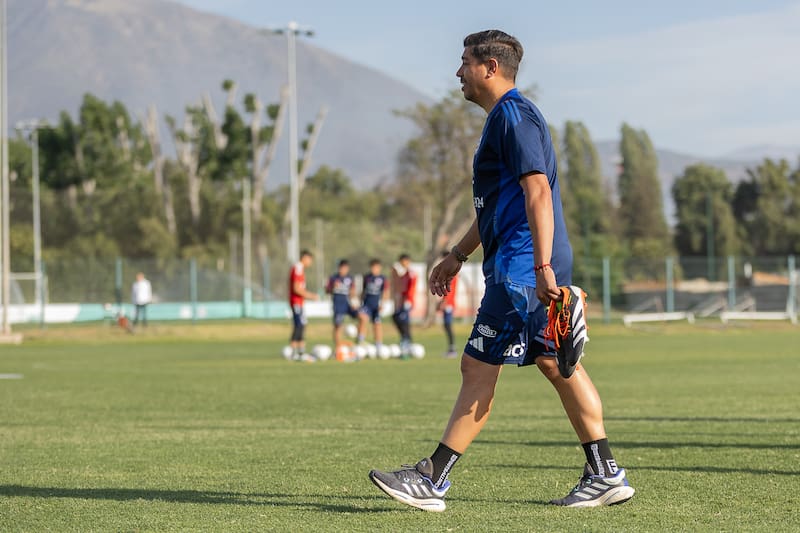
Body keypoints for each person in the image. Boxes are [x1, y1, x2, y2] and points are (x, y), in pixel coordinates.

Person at [369, 30, 634, 511]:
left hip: (522, 268)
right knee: (557, 365)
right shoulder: (507, 118)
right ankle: (604, 472)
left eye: (465, 62)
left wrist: (542, 266)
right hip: (521, 262)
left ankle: (432, 478)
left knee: (477, 366)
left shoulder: (513, 115)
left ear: (491, 67)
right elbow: (497, 205)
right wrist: (458, 254)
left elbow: (536, 190)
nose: (458, 72)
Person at [288, 250, 318, 361]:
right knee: (298, 325)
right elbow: (296, 288)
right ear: (305, 258)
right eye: (310, 260)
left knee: (301, 325)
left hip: (299, 302)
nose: (310, 262)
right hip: (296, 301)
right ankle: (293, 352)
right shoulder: (298, 268)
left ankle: (300, 352)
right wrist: (311, 295)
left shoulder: (299, 268)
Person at [325, 259, 359, 351]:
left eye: (345, 268)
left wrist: (354, 302)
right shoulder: (333, 278)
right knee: (338, 325)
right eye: (341, 268)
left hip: (348, 304)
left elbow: (352, 291)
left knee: (362, 316)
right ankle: (338, 346)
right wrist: (333, 287)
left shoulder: (350, 278)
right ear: (339, 268)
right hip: (338, 305)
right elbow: (327, 291)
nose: (343, 270)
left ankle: (359, 341)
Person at [358, 258, 388, 347]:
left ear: (380, 268)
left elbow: (385, 292)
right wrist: (360, 303)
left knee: (377, 324)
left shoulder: (382, 278)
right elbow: (363, 291)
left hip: (376, 305)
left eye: (376, 267)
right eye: (372, 267)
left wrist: (382, 304)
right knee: (363, 319)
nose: (374, 269)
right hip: (367, 304)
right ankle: (360, 340)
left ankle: (378, 343)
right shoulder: (367, 277)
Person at [390, 253, 417, 354]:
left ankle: (407, 341)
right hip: (403, 301)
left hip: (408, 301)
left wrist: (407, 300)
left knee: (404, 320)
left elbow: (411, 288)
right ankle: (405, 339)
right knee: (396, 317)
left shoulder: (411, 274)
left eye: (404, 262)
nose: (402, 264)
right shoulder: (404, 275)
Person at [436, 250, 459, 358]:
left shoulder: (452, 273)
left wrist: (444, 302)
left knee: (448, 325)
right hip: (446, 302)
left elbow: (450, 290)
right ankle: (451, 348)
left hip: (449, 304)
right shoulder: (447, 272)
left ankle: (452, 349)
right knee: (446, 325)